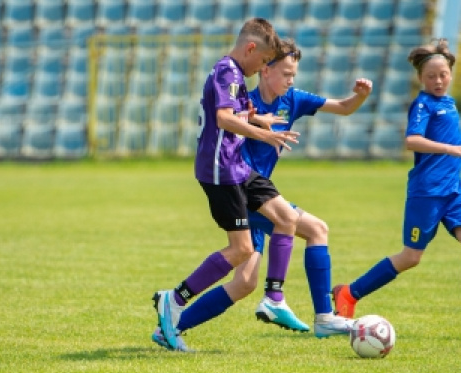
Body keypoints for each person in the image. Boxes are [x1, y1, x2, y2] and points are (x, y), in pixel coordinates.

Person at [153, 37, 373, 347]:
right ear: (265, 70)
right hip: (244, 189)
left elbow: (344, 108)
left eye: (294, 74)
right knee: (314, 228)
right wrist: (258, 125)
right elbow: (226, 120)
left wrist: (360, 96)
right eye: (285, 73)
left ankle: (169, 328)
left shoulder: (292, 100)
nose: (290, 80)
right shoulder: (244, 97)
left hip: (256, 192)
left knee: (243, 283)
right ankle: (310, 311)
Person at [332, 38, 461, 338]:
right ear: (420, 79)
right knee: (411, 257)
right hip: (427, 193)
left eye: (443, 75)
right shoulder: (422, 104)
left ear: (451, 73)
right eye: (431, 77)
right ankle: (349, 293)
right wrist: (452, 149)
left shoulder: (449, 103)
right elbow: (412, 140)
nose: (438, 81)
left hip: (454, 192)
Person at [153, 18, 302, 352]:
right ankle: (174, 300)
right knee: (242, 250)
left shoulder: (234, 74)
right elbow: (223, 118)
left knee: (286, 217)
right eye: (263, 61)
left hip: (237, 165)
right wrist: (265, 133)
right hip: (220, 171)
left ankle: (274, 297)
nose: (261, 68)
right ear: (251, 48)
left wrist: (256, 118)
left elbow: (234, 113)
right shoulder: (228, 71)